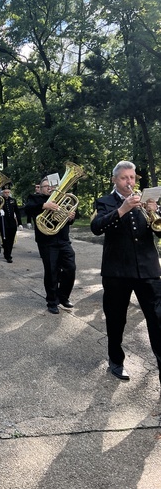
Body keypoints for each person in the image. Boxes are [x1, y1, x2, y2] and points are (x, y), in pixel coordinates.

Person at [91, 160, 161, 382]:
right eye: (124, 178)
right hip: (117, 272)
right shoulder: (105, 202)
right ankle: (116, 361)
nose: (129, 182)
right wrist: (123, 209)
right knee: (116, 318)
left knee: (158, 319)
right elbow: (96, 227)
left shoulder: (148, 202)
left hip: (148, 271)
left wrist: (156, 211)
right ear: (114, 180)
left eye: (132, 177)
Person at [25, 177, 76, 314]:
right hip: (46, 241)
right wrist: (44, 206)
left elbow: (68, 220)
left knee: (70, 269)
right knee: (52, 271)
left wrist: (70, 217)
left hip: (63, 240)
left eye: (51, 186)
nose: (50, 188)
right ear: (41, 188)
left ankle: (63, 297)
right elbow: (27, 209)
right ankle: (52, 301)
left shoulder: (63, 198)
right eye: (46, 186)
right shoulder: (35, 198)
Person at [0, 186, 22, 263]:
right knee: (5, 238)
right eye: (5, 192)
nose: (7, 194)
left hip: (12, 222)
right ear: (2, 193)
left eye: (8, 192)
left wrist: (20, 223)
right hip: (3, 221)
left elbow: (17, 212)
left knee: (11, 238)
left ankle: (8, 252)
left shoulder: (13, 200)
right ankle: (8, 255)